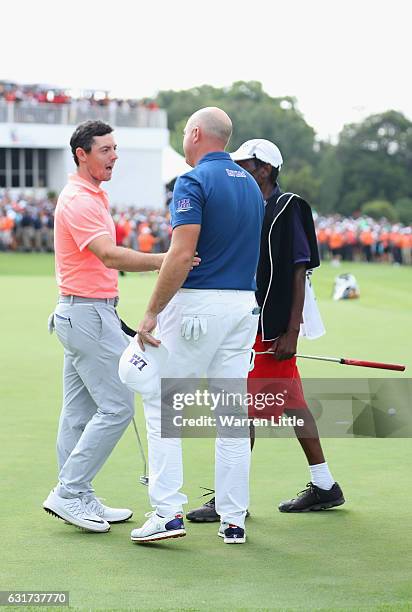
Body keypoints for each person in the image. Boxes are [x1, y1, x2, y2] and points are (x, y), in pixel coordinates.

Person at [42, 120, 196, 533]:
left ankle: (78, 493)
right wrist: (169, 259)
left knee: (78, 413)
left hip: (86, 314)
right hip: (87, 315)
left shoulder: (92, 195)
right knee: (116, 406)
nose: (114, 156)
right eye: (105, 150)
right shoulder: (79, 199)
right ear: (82, 154)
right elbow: (109, 256)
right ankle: (70, 492)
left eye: (115, 148)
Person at [187, 138, 345, 522]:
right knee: (287, 404)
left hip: (270, 324)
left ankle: (230, 498)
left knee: (245, 409)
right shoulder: (244, 206)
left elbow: (298, 267)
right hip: (246, 318)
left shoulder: (288, 206)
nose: (238, 169)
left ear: (265, 168)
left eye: (245, 164)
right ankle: (324, 485)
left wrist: (291, 329)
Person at [130, 108, 264, 544]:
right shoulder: (252, 187)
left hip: (197, 307)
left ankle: (168, 513)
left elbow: (181, 255)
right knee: (230, 417)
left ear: (195, 133)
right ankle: (233, 520)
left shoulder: (193, 181)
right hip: (243, 307)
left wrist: (150, 311)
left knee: (164, 407)